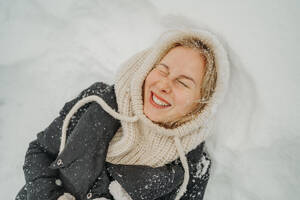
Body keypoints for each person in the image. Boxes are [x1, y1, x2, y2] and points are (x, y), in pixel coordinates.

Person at [16, 29, 230, 200]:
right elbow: (40, 151)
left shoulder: (193, 169)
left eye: (183, 82)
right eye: (162, 70)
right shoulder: (97, 100)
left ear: (201, 104)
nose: (164, 84)